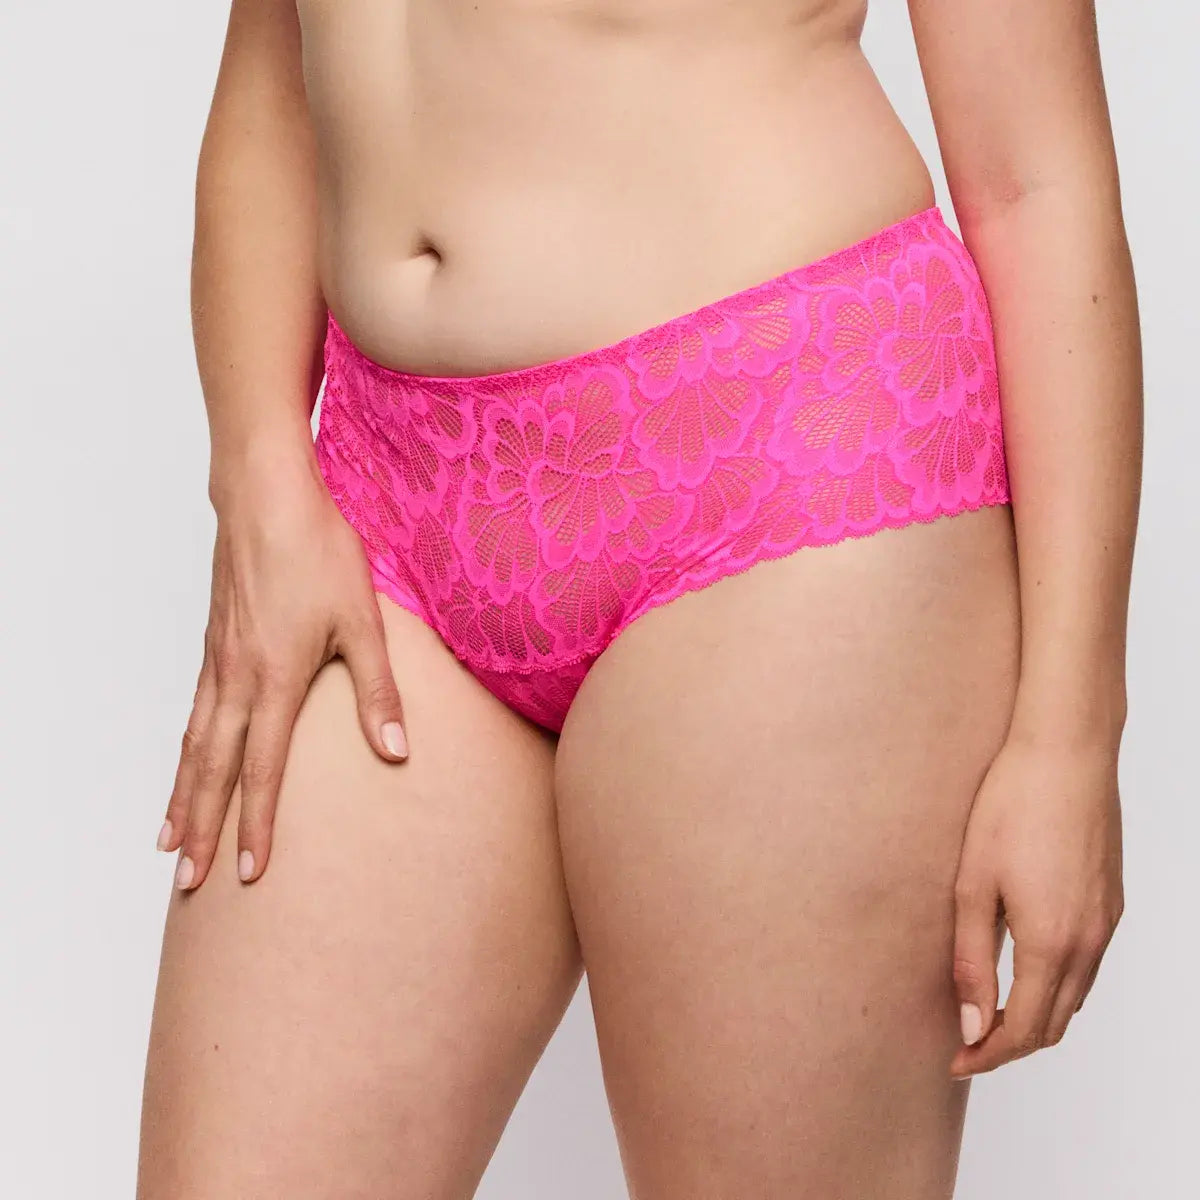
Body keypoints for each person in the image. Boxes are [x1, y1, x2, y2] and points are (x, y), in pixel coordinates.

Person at [138, 1, 1139, 1196]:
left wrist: (1070, 733)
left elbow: (1037, 182)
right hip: (384, 498)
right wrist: (257, 464)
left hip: (777, 464)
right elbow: (274, 69)